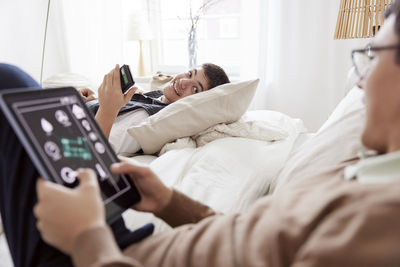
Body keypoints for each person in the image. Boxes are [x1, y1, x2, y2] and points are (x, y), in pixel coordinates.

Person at [3, 2, 400, 265]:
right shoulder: (367, 174)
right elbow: (254, 237)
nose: (356, 79)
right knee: (30, 96)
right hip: (129, 241)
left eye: (371, 55)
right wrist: (169, 201)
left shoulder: (379, 221)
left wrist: (87, 235)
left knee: (12, 83)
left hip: (104, 254)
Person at [81, 63, 230, 155]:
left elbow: (92, 153)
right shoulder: (160, 96)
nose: (184, 82)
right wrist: (95, 101)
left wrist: (107, 109)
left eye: (196, 89)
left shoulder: (148, 120)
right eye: (190, 74)